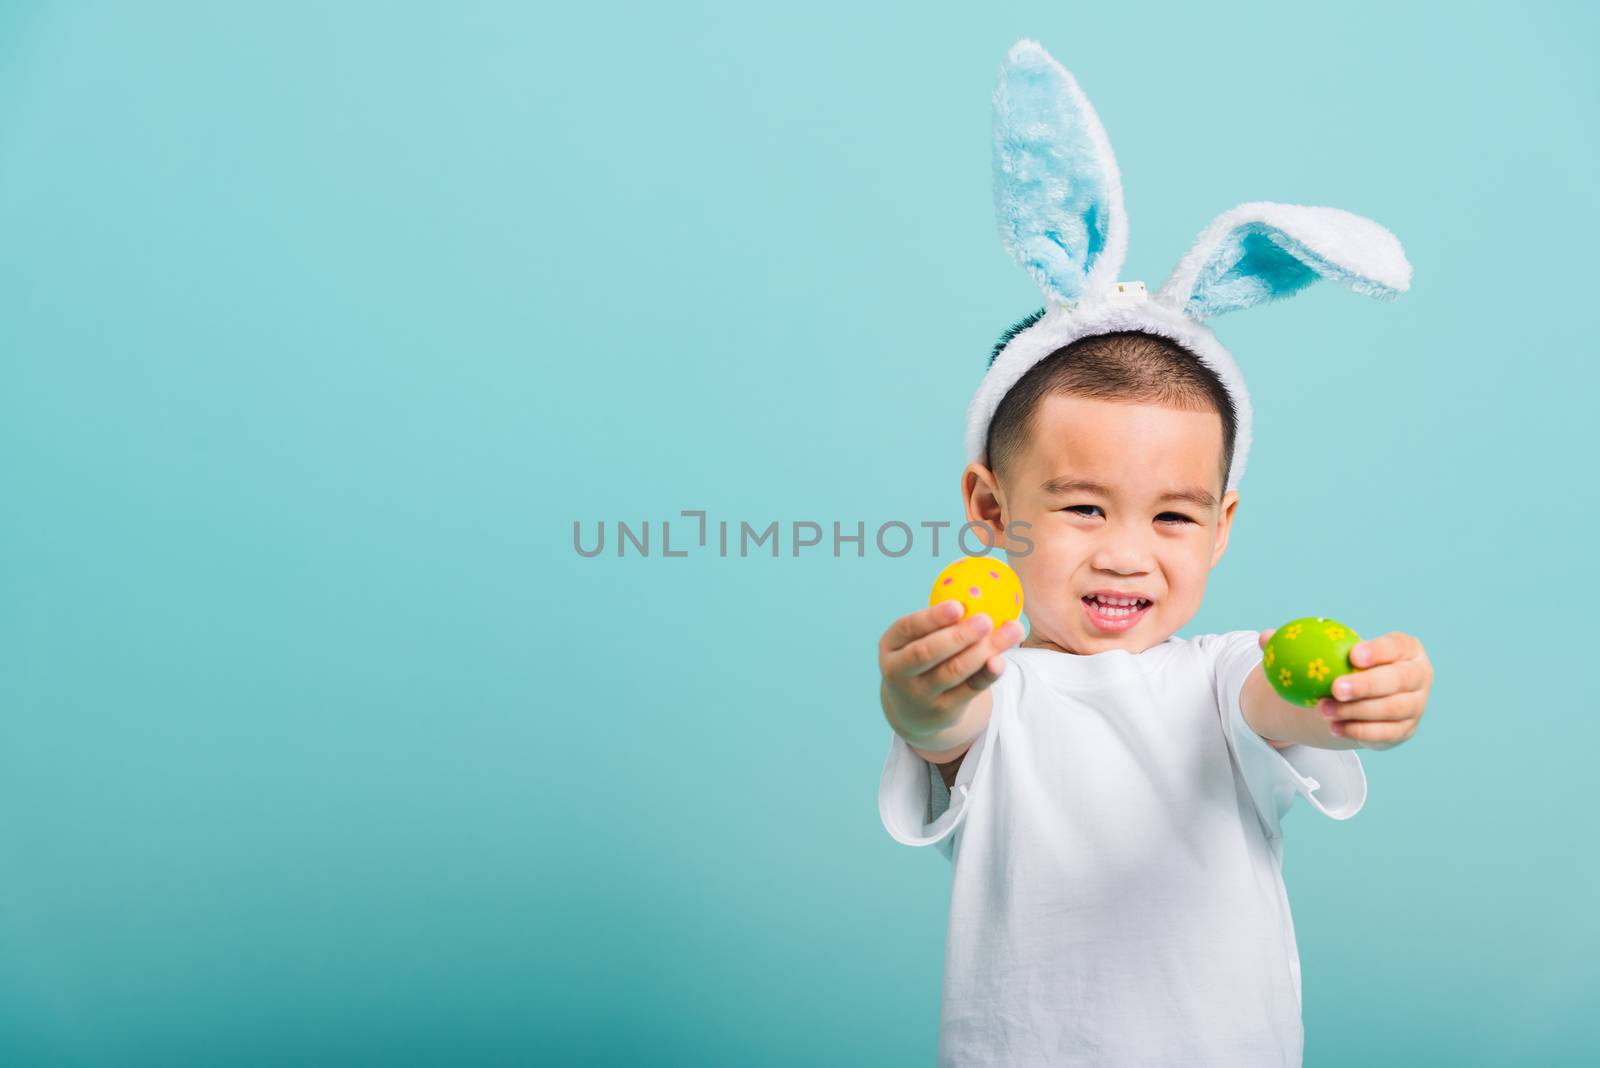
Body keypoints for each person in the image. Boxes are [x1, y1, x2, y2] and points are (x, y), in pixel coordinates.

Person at [875, 39, 1435, 1066]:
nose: (1126, 557)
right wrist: (921, 689)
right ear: (991, 512)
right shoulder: (997, 692)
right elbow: (939, 726)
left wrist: (1356, 691)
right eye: (1084, 509)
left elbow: (1279, 699)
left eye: (1171, 518)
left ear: (1222, 528)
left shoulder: (1219, 676)